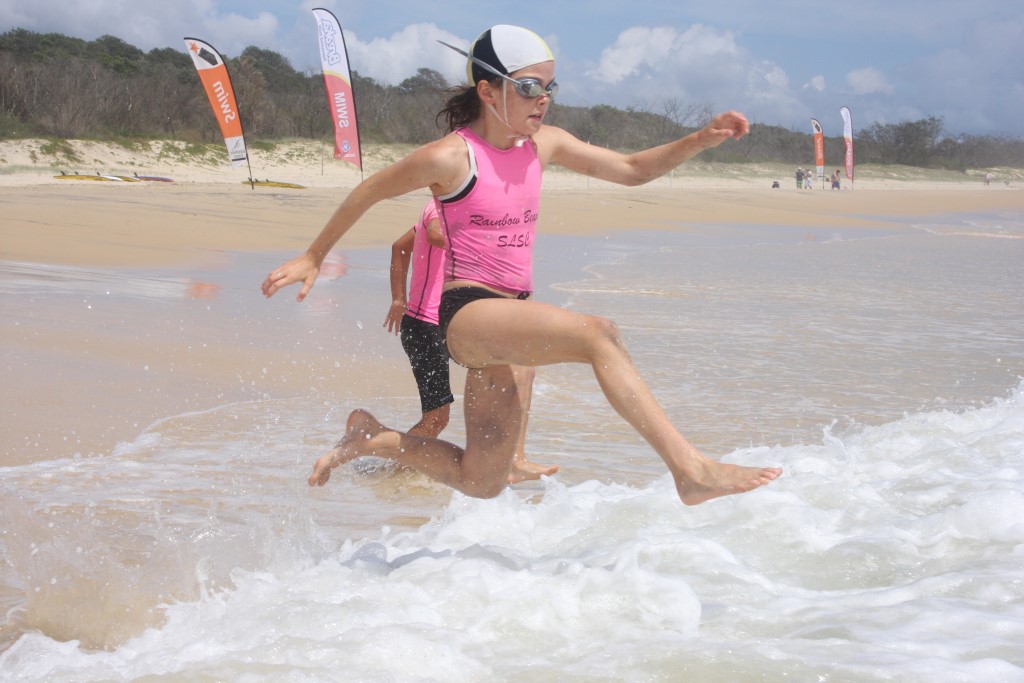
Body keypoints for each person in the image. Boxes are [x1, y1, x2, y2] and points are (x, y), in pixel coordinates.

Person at [262, 24, 782, 505]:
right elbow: (369, 191)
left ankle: (371, 438)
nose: (544, 99)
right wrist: (313, 255)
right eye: (531, 87)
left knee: (481, 480)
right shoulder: (451, 156)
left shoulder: (544, 145)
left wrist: (701, 138)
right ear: (489, 91)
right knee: (599, 334)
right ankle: (691, 470)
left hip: (510, 321)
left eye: (550, 87)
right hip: (467, 311)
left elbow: (631, 169)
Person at [385, 198, 558, 483]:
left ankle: (512, 460)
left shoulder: (468, 213)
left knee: (520, 369)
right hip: (424, 326)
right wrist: (398, 299)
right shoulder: (439, 206)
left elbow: (399, 246)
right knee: (436, 419)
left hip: (453, 323)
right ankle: (392, 474)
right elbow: (433, 234)